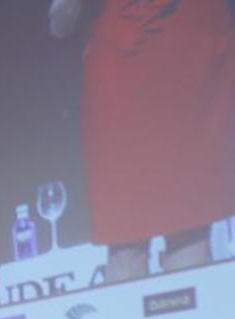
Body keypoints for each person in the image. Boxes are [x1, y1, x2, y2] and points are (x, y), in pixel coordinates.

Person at [51, 0, 235, 280]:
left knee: (188, 222)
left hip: (190, 40)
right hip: (125, 43)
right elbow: (61, 22)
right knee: (126, 231)